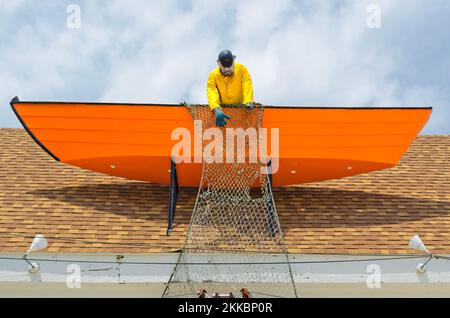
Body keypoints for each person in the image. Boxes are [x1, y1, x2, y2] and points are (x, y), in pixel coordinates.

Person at [207, 49, 254, 127]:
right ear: (218, 63)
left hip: (240, 108)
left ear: (234, 60)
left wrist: (248, 101)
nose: (227, 70)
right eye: (224, 68)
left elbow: (247, 84)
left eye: (229, 67)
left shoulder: (242, 70)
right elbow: (211, 92)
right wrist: (216, 109)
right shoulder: (213, 75)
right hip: (223, 111)